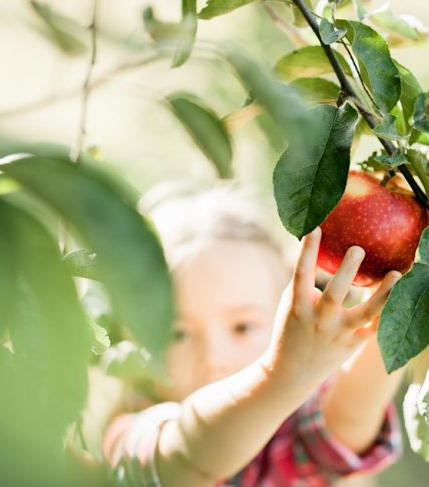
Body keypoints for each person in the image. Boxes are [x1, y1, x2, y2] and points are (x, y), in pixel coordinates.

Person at [100, 182, 405, 487]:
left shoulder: (295, 429)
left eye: (242, 327)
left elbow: (349, 416)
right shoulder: (132, 435)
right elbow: (192, 455)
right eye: (177, 335)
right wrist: (282, 374)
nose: (213, 359)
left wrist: (403, 292)